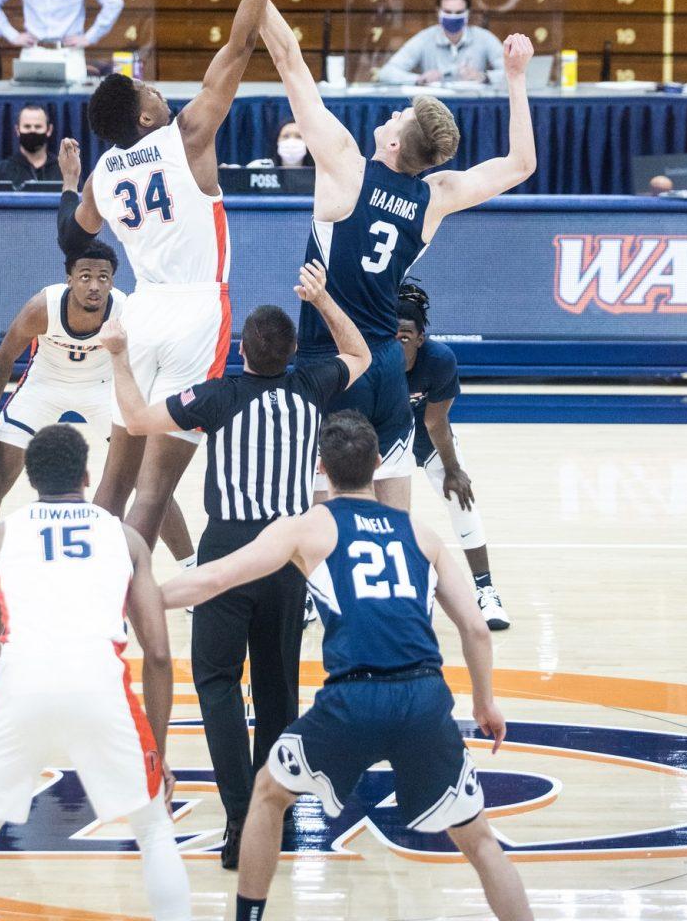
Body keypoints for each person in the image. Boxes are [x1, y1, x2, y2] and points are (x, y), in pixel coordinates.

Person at [214, 0, 537, 513]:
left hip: (329, 361)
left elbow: (286, 56)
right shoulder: (433, 199)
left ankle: (317, 598)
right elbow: (520, 165)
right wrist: (515, 78)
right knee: (390, 513)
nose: (387, 116)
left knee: (321, 507)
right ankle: (398, 590)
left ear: (393, 143)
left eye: (396, 117)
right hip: (387, 364)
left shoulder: (344, 166)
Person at [161, 411, 534, 921]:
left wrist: (138, 597)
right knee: (481, 842)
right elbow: (473, 629)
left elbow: (211, 581)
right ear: (379, 463)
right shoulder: (420, 533)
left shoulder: (308, 527)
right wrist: (485, 701)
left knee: (267, 795)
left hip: (353, 700)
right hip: (424, 697)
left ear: (321, 469)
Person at [99, 259, 370, 871]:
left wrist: (118, 354)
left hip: (226, 550)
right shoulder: (311, 387)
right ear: (294, 352)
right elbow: (361, 356)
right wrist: (325, 300)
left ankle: (240, 817)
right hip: (289, 559)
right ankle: (267, 818)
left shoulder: (219, 395)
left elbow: (139, 421)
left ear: (242, 350)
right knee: (277, 694)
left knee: (217, 683)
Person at [57, 0, 285, 554]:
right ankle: (128, 600)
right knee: (156, 490)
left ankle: (87, 593)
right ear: (148, 115)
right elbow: (243, 46)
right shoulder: (185, 136)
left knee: (117, 480)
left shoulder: (102, 175)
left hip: (138, 316)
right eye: (151, 88)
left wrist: (71, 188)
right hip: (193, 314)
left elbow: (80, 234)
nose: (159, 87)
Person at [0, 423, 191, 921]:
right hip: (100, 686)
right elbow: (157, 655)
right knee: (154, 829)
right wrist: (155, 751)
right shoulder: (126, 538)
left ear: (29, 476)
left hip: (21, 684)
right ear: (88, 476)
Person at [0, 241, 125, 622]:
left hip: (101, 387)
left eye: (103, 277)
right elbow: (5, 355)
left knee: (145, 478)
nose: (94, 285)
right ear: (69, 280)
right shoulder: (43, 307)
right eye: (85, 276)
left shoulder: (126, 311)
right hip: (44, 384)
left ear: (113, 282)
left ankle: (190, 572)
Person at [397, 280, 510, 630]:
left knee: (461, 497)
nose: (396, 341)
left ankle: (486, 590)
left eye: (405, 335)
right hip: (384, 437)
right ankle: (318, 593)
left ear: (420, 337)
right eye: (390, 333)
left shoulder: (440, 360)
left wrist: (453, 469)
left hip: (428, 436)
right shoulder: (371, 354)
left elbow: (435, 421)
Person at [376, 0, 505, 86]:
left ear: (468, 13)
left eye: (458, 12)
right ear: (438, 12)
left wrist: (484, 77)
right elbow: (387, 72)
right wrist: (419, 79)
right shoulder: (424, 38)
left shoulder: (484, 38)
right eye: (448, 12)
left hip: (473, 108)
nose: (453, 17)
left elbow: (512, 72)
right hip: (435, 109)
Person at [0, 101, 63, 190]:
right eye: (27, 126)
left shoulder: (64, 170)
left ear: (49, 130)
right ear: (17, 130)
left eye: (38, 127)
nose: (32, 131)